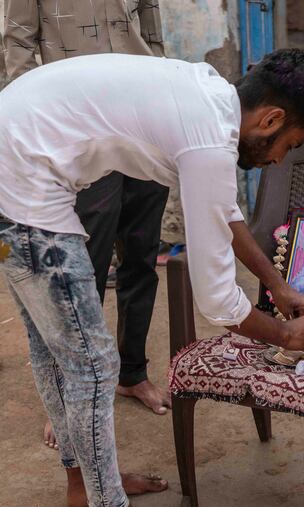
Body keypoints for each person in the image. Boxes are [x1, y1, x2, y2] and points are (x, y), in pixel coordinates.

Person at [0, 49, 304, 507]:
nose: (279, 160)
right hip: (24, 189)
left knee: (61, 357)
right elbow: (217, 301)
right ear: (272, 120)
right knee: (93, 368)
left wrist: (275, 283)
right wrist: (283, 333)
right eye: (289, 146)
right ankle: (104, 499)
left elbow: (222, 211)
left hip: (15, 171)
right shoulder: (210, 139)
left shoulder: (209, 99)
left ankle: (87, 489)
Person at [3, 0, 172, 450]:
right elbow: (17, 44)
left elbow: (152, 34)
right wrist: (39, 126)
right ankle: (67, 399)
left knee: (140, 256)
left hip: (140, 121)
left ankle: (132, 373)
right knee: (80, 271)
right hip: (76, 130)